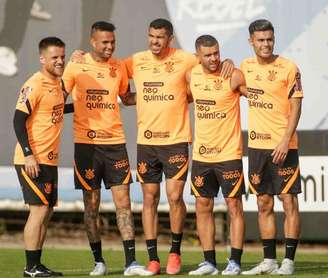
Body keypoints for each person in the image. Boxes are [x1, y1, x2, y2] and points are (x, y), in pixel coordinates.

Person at [124, 18, 234, 275]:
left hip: (175, 141)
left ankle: (175, 252)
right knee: (149, 198)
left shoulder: (185, 59)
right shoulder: (136, 60)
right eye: (151, 36)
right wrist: (80, 57)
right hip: (146, 142)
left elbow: (212, 63)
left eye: (160, 37)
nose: (155, 41)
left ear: (169, 39)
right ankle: (152, 258)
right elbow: (111, 71)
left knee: (175, 198)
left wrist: (227, 62)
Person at [62, 21, 151, 276]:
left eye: (112, 42)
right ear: (93, 42)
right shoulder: (76, 65)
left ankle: (131, 262)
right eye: (105, 42)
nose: (110, 46)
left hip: (115, 144)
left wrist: (160, 94)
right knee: (92, 206)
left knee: (124, 204)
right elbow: (58, 95)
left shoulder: (119, 67)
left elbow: (127, 98)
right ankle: (98, 261)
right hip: (86, 146)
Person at [241, 19, 303, 276]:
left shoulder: (289, 68)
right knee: (263, 203)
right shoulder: (244, 67)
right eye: (261, 40)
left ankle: (288, 261)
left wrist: (284, 141)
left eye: (269, 39)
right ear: (251, 42)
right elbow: (236, 85)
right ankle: (269, 260)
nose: (266, 44)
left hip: (284, 146)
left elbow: (296, 107)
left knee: (289, 201)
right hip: (257, 147)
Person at [185, 35, 247, 276]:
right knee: (202, 206)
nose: (214, 59)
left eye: (217, 53)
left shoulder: (233, 74)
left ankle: (235, 262)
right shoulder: (192, 75)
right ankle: (209, 262)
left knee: (234, 206)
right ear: (198, 56)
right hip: (202, 155)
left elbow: (257, 96)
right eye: (208, 55)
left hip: (229, 153)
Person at [13, 36, 66, 277]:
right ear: (42, 58)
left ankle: (37, 264)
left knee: (47, 211)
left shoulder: (56, 84)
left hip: (49, 159)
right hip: (33, 159)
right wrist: (28, 155)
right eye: (54, 57)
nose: (59, 61)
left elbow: (58, 109)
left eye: (62, 57)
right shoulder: (33, 84)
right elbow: (18, 119)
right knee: (39, 211)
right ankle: (30, 268)